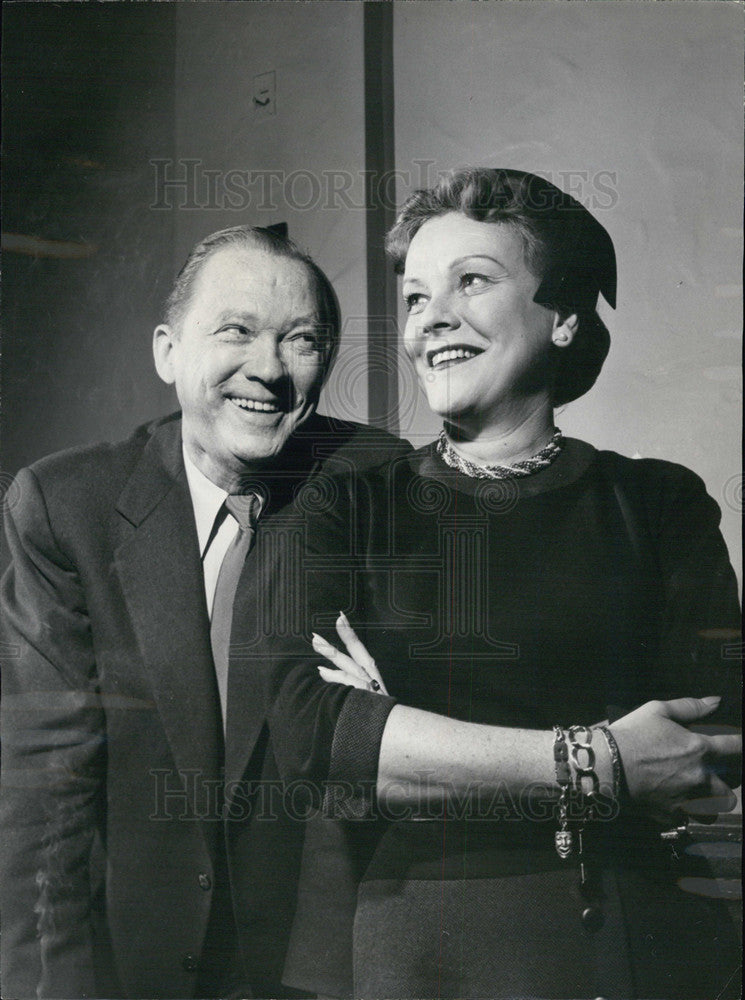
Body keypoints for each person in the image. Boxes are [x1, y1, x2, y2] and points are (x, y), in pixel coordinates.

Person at [233, 170, 742, 999]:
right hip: (420, 947)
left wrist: (400, 729)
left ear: (565, 317)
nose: (430, 318)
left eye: (471, 280)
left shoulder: (657, 502)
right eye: (413, 296)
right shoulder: (347, 504)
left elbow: (706, 738)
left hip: (630, 938)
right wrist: (598, 759)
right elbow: (316, 739)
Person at [0, 225, 412, 999]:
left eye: (302, 340)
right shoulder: (65, 506)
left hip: (328, 962)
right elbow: (43, 791)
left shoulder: (380, 482)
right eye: (237, 331)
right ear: (167, 352)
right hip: (140, 964)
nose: (268, 369)